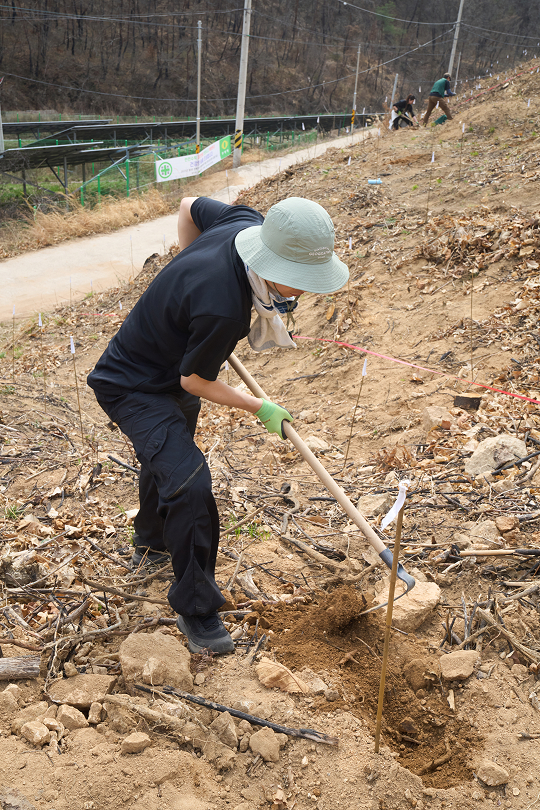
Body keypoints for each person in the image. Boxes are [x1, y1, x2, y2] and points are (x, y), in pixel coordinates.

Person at [87, 196, 349, 655]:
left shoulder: (247, 223)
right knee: (190, 485)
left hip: (175, 363)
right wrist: (259, 407)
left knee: (167, 460)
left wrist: (185, 272)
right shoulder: (223, 309)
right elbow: (196, 381)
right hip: (132, 385)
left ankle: (149, 543)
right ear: (274, 263)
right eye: (302, 280)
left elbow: (188, 206)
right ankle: (197, 608)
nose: (306, 291)